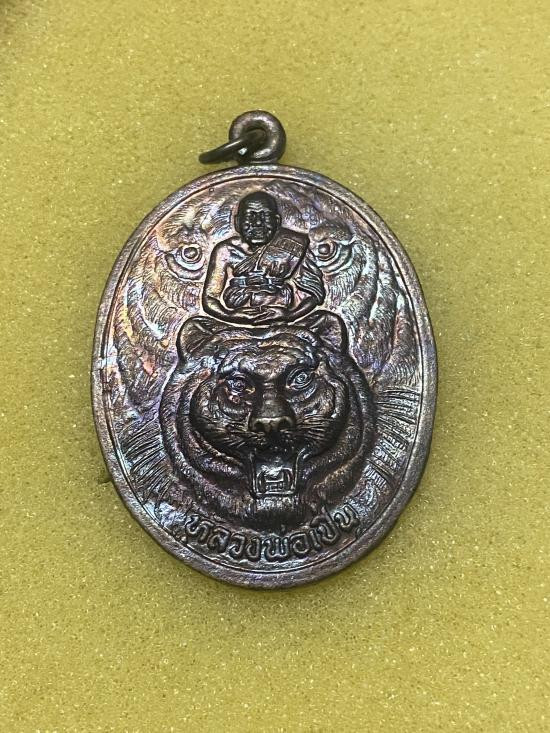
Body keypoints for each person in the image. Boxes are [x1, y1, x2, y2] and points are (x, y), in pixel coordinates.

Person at [202, 191, 324, 325]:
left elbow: (314, 293)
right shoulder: (226, 250)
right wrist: (231, 316)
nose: (258, 222)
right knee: (194, 326)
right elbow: (210, 298)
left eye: (265, 216)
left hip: (282, 321)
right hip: (234, 321)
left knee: (328, 321)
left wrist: (289, 315)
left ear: (277, 221)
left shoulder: (294, 245)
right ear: (237, 222)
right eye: (250, 216)